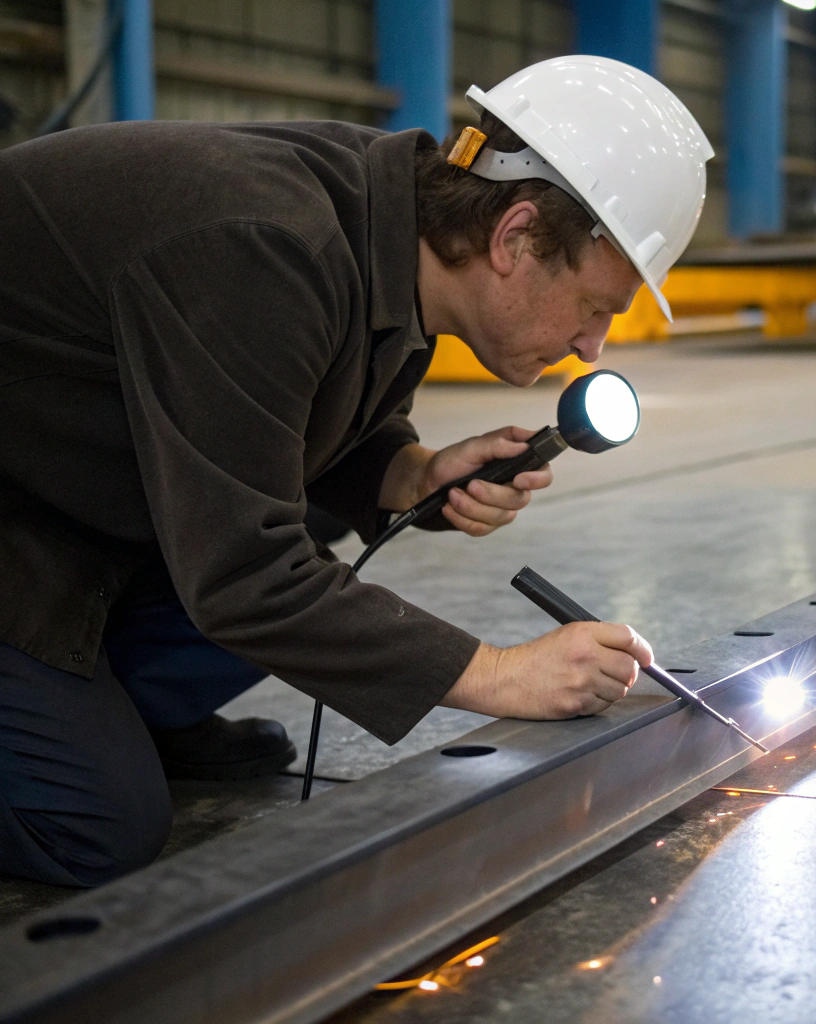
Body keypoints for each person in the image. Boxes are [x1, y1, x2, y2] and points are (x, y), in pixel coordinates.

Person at [0, 56, 712, 887]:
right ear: (515, 236)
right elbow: (244, 577)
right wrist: (500, 674)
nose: (592, 347)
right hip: (25, 511)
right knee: (93, 824)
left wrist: (404, 472)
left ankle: (121, 709)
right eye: (594, 308)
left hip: (58, 471)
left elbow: (286, 411)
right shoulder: (266, 249)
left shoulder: (386, 227)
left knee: (315, 526)